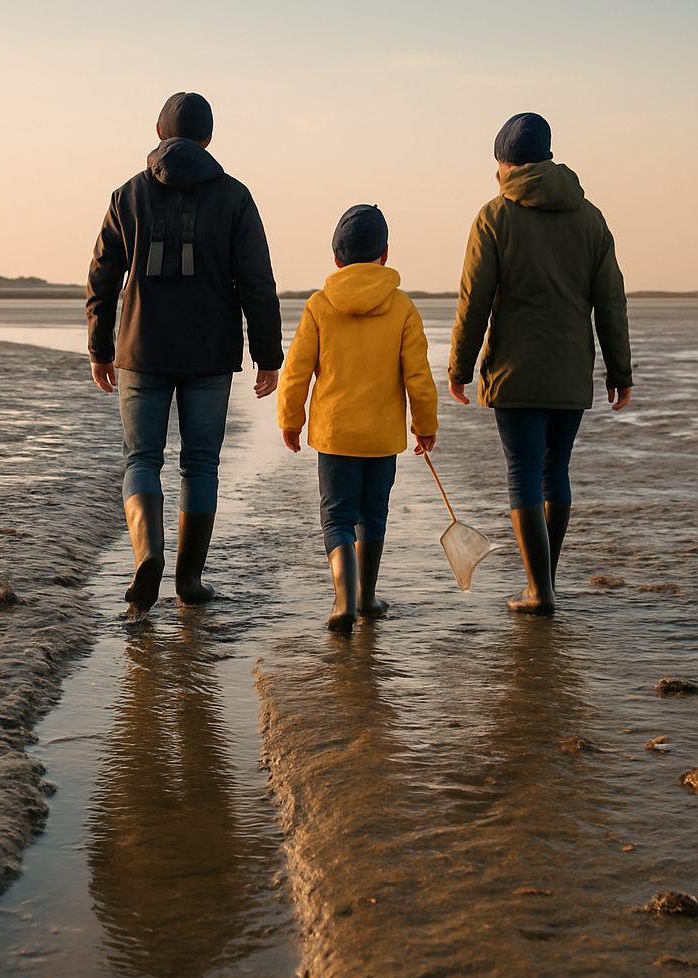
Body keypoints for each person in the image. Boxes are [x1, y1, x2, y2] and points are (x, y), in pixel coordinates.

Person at [86, 92, 282, 615]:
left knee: (142, 458)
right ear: (209, 138)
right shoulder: (236, 197)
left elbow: (102, 279)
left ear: (158, 133)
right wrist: (269, 356)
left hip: (140, 350)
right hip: (209, 354)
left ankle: (147, 554)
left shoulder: (126, 195)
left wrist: (99, 348)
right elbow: (257, 283)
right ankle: (189, 582)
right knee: (200, 464)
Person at [448, 112, 633, 615]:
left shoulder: (494, 216)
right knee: (557, 472)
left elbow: (475, 300)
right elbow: (610, 301)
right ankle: (543, 583)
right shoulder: (590, 216)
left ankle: (539, 592)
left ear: (505, 165)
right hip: (570, 372)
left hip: (515, 372)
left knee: (524, 473)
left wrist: (459, 368)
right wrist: (621, 372)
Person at [277, 204, 438, 631]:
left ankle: (343, 602)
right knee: (374, 513)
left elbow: (296, 372)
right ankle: (365, 597)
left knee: (337, 517)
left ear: (336, 259)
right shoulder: (402, 307)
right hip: (382, 437)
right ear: (385, 253)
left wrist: (290, 420)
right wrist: (425, 425)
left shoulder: (319, 305)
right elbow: (418, 376)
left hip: (334, 435)